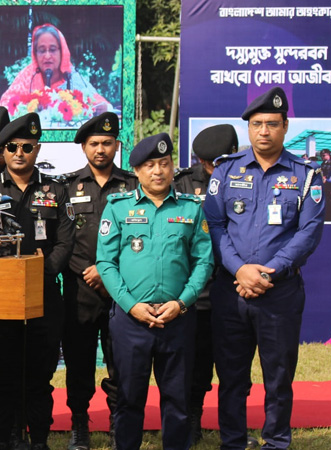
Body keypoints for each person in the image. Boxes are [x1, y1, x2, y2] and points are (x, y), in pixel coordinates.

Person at [204, 87, 326, 450]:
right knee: (231, 378)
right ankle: (233, 442)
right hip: (231, 291)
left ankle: (276, 442)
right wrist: (240, 270)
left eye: (272, 124)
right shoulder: (226, 170)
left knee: (278, 378)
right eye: (257, 124)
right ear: (249, 128)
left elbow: (309, 232)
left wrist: (267, 273)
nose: (264, 131)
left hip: (280, 293)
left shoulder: (306, 175)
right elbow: (215, 226)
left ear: (285, 126)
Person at [97, 133, 213, 450]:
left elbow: (204, 261)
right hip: (131, 320)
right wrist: (131, 305)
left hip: (177, 319)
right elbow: (106, 263)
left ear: (173, 166)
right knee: (129, 397)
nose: (158, 171)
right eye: (150, 165)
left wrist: (182, 302)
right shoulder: (118, 208)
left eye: (164, 163)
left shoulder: (191, 208)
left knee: (178, 399)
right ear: (136, 171)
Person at [0, 113, 73, 450]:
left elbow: (65, 241)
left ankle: (38, 440)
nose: (19, 153)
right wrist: (7, 271)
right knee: (3, 374)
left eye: (27, 147)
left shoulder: (56, 190)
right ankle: (3, 439)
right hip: (0, 297)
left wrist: (41, 271)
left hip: (44, 294)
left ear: (37, 149)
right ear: (3, 151)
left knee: (39, 374)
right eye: (12, 147)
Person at [59, 112, 138, 450]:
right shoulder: (66, 187)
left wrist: (109, 273)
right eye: (94, 144)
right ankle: (80, 425)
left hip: (124, 290)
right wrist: (91, 272)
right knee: (79, 363)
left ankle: (119, 424)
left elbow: (140, 239)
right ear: (84, 147)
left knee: (122, 363)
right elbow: (64, 240)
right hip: (81, 291)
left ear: (117, 145)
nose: (101, 149)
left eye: (107, 143)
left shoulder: (133, 186)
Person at [173, 123, 240, 446]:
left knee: (234, 365)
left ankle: (235, 426)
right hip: (196, 292)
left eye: (220, 162)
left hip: (235, 287)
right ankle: (192, 418)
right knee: (195, 364)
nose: (214, 168)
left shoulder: (247, 179)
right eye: (208, 163)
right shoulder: (182, 184)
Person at [0, 24, 111, 126]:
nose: (47, 56)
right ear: (35, 54)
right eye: (42, 51)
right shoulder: (28, 75)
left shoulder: (71, 76)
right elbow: (5, 106)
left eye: (52, 50)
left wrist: (101, 108)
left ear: (62, 52)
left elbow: (101, 104)